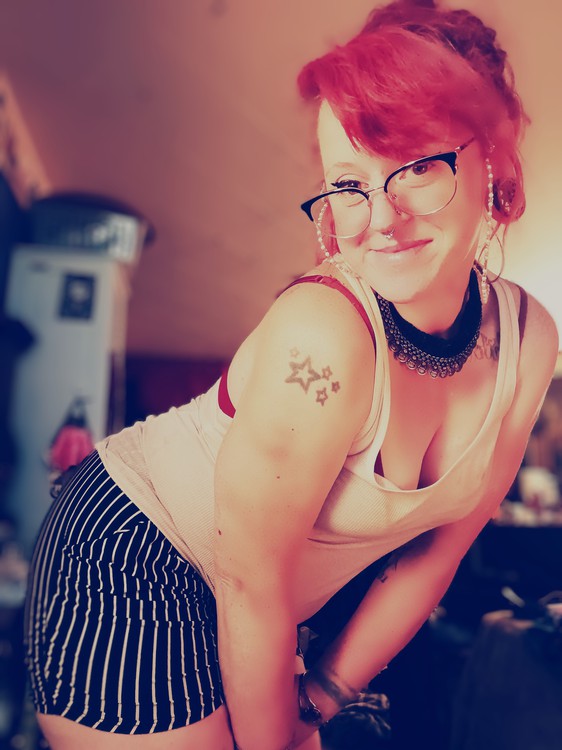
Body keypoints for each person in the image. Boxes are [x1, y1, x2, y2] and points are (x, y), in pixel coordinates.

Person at [23, 1, 559, 748]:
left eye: (416, 167)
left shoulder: (530, 340)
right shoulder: (326, 333)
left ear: (492, 159)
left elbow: (441, 552)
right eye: (349, 183)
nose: (380, 218)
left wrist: (327, 691)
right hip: (132, 555)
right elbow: (250, 581)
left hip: (266, 606)